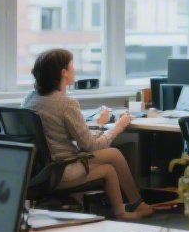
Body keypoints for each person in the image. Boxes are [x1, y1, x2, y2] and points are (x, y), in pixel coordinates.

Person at [22, 49, 152, 220]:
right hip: (61, 169)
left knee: (109, 166)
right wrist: (119, 126)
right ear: (64, 73)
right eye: (72, 66)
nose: (74, 69)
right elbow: (91, 146)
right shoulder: (66, 103)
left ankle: (123, 211)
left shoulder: (30, 99)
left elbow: (66, 135)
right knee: (114, 155)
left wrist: (99, 125)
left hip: (39, 171)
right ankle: (136, 206)